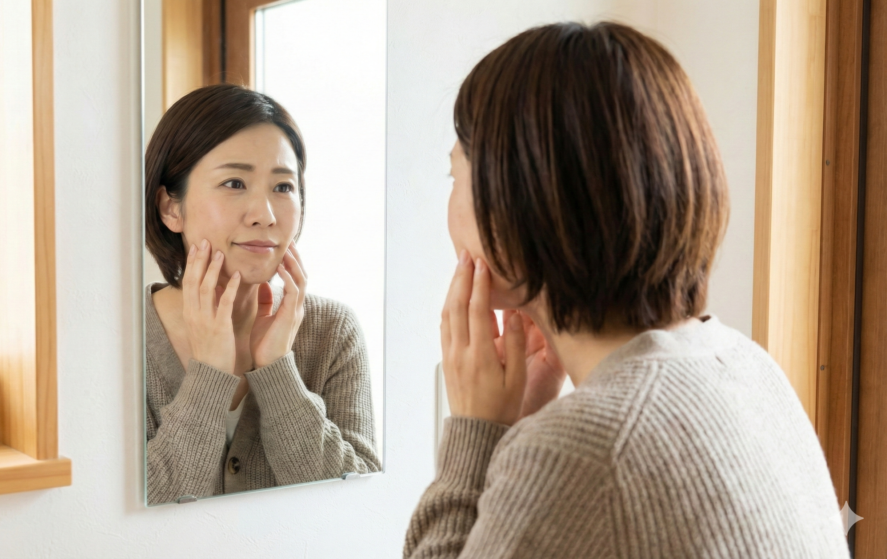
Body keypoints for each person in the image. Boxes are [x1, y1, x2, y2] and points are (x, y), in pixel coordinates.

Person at [404, 22, 849, 558]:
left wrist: (476, 434)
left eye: (455, 176)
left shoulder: (581, 450)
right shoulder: (750, 369)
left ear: (518, 201)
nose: (448, 208)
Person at [144, 84, 380, 505]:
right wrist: (209, 376)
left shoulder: (332, 332)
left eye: (283, 187)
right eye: (234, 183)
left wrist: (277, 372)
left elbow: (357, 503)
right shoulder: (123, 344)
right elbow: (122, 525)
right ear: (170, 208)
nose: (265, 216)